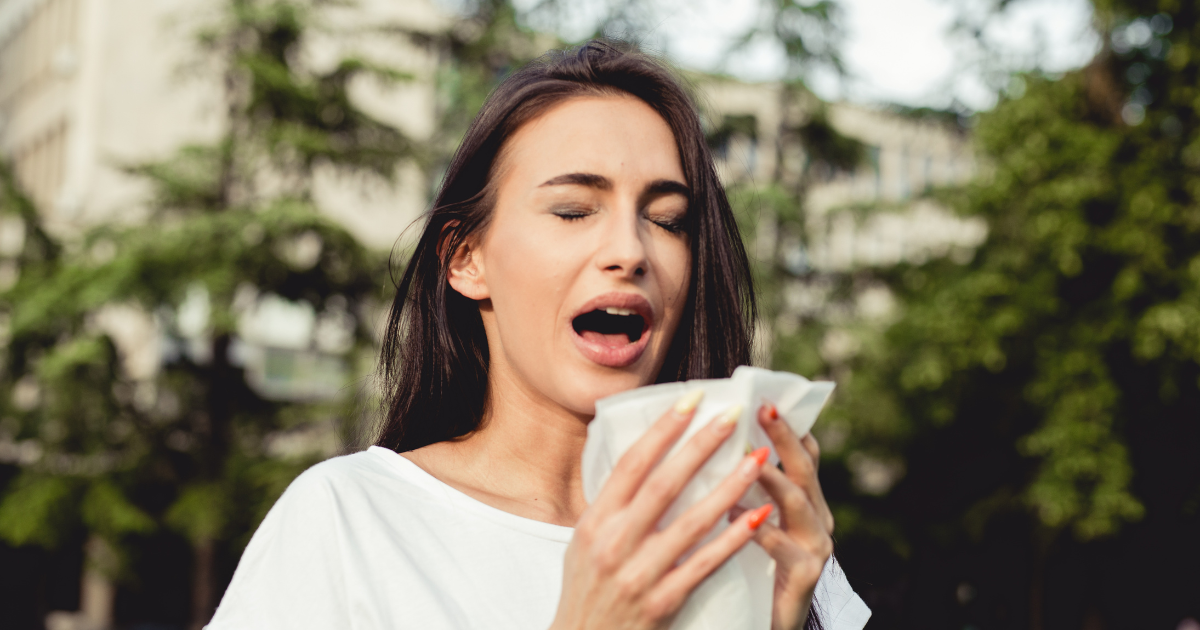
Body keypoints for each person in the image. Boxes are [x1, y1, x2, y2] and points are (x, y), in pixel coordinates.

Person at [206, 40, 871, 630]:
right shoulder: (348, 521)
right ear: (467, 259)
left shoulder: (750, 533)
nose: (630, 250)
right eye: (574, 210)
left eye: (668, 220)